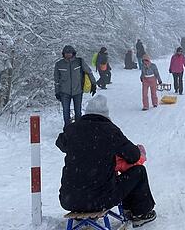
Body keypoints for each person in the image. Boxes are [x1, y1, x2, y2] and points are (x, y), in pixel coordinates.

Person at [56, 95, 157, 227]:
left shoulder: (72, 129)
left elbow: (60, 143)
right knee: (138, 171)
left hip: (69, 199)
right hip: (101, 198)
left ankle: (83, 210)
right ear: (105, 115)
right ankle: (140, 213)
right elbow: (133, 155)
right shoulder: (110, 131)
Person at [54, 45, 96, 126]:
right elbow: (56, 80)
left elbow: (89, 72)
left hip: (78, 91)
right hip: (64, 92)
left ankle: (78, 128)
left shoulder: (79, 62)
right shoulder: (59, 64)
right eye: (66, 53)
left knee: (78, 111)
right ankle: (67, 128)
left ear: (73, 53)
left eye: (70, 53)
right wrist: (57, 92)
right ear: (63, 54)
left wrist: (93, 84)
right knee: (66, 111)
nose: (68, 55)